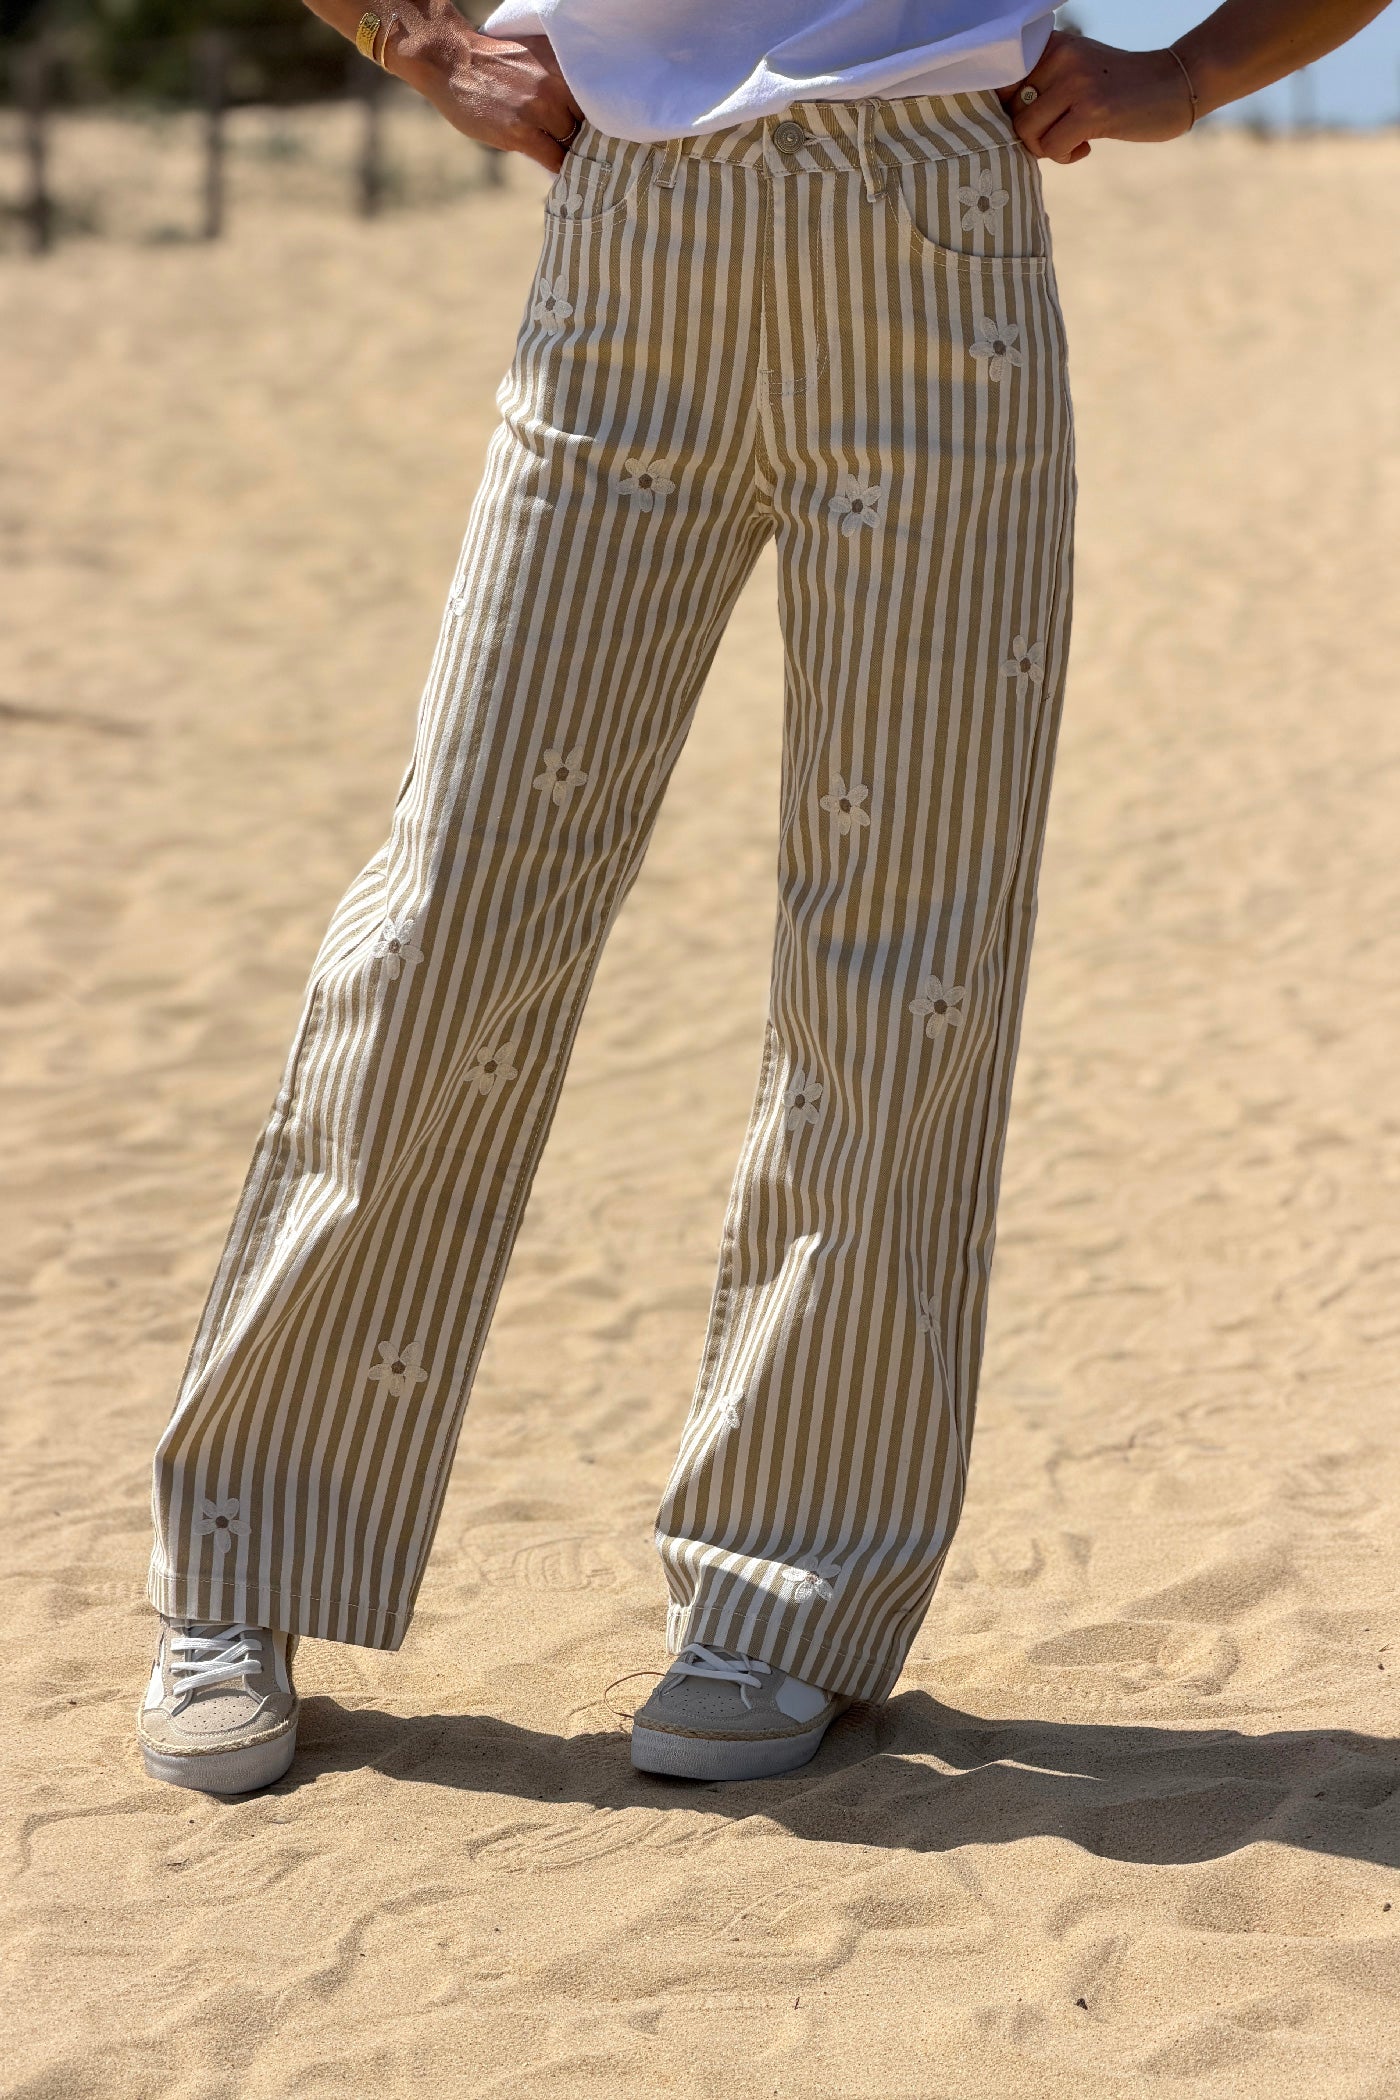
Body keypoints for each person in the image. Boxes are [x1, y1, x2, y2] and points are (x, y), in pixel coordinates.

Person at [137, 0, 1388, 1796]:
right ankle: (243, 1562)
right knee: (448, 909)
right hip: (633, 225)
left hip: (938, 231)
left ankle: (783, 1597)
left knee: (905, 952)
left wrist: (1190, 68)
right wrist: (419, 33)